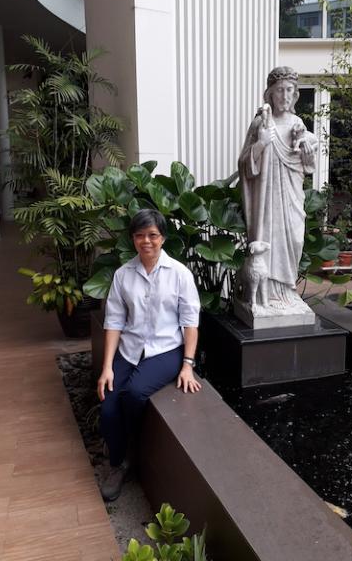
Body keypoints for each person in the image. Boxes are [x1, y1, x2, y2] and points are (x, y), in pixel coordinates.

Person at [97, 209, 201, 501]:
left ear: (163, 238)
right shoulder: (123, 274)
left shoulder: (180, 274)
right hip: (130, 350)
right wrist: (107, 367)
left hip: (166, 349)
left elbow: (190, 322)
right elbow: (114, 322)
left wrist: (188, 365)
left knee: (135, 393)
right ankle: (118, 454)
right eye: (140, 235)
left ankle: (122, 456)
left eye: (152, 235)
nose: (146, 241)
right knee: (107, 407)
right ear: (133, 239)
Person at [238, 66, 318, 309]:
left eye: (289, 90)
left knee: (295, 238)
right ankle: (267, 294)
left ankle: (287, 290)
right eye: (279, 90)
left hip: (292, 194)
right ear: (270, 94)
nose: (284, 95)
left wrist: (306, 150)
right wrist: (261, 144)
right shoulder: (260, 123)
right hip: (266, 198)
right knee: (267, 241)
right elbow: (244, 164)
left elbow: (308, 166)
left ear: (295, 95)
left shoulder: (298, 125)